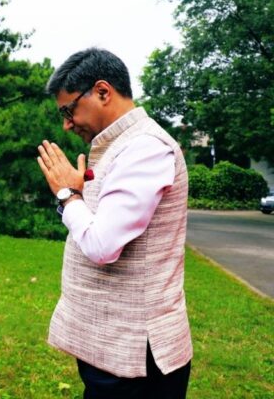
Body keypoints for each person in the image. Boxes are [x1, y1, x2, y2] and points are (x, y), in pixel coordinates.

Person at [36, 48, 192, 398]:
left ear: (103, 92)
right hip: (115, 353)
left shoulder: (145, 149)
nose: (66, 123)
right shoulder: (120, 146)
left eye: (68, 109)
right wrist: (73, 197)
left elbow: (103, 245)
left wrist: (66, 195)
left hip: (136, 360)